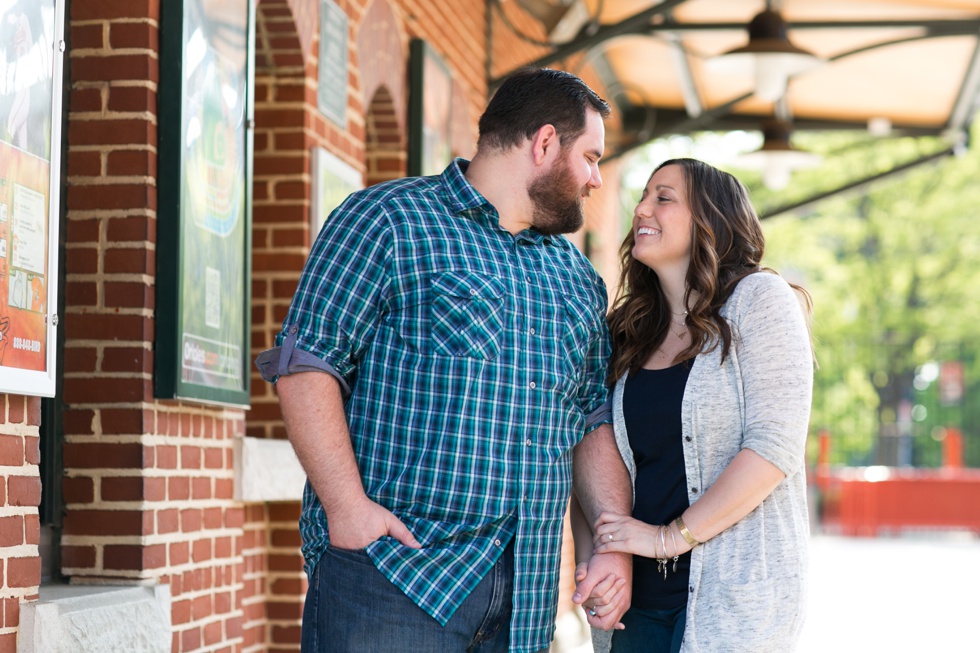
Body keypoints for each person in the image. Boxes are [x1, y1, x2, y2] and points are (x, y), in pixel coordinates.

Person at [255, 67, 632, 653]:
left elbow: (587, 419)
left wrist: (610, 544)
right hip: (392, 579)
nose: (596, 179)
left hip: (525, 600)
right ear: (545, 143)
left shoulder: (577, 278)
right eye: (590, 157)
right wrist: (347, 508)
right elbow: (307, 366)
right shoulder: (385, 221)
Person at [581, 158, 814, 652]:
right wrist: (599, 555)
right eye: (643, 195)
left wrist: (666, 539)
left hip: (733, 605)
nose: (642, 208)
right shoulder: (627, 332)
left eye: (664, 198)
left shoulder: (761, 300)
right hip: (635, 608)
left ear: (712, 219)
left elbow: (775, 448)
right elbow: (592, 444)